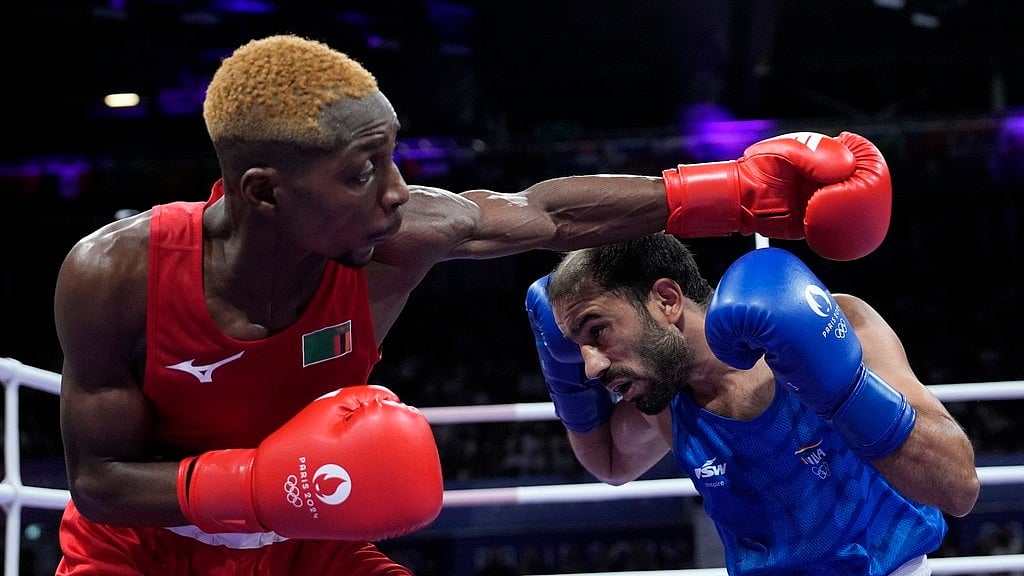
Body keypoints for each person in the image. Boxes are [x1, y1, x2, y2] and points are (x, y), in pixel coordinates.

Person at [53, 32, 892, 575]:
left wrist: (735, 194)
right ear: (265, 192)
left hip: (308, 548)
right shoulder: (115, 276)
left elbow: (547, 215)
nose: (395, 193)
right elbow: (96, 481)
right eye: (362, 172)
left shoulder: (396, 235)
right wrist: (253, 485)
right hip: (140, 554)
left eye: (392, 158)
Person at [525, 233, 981, 576]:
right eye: (577, 347)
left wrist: (841, 388)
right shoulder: (662, 394)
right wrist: (567, 391)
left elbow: (959, 488)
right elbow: (609, 460)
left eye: (597, 331)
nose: (590, 367)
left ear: (666, 300)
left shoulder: (836, 325)